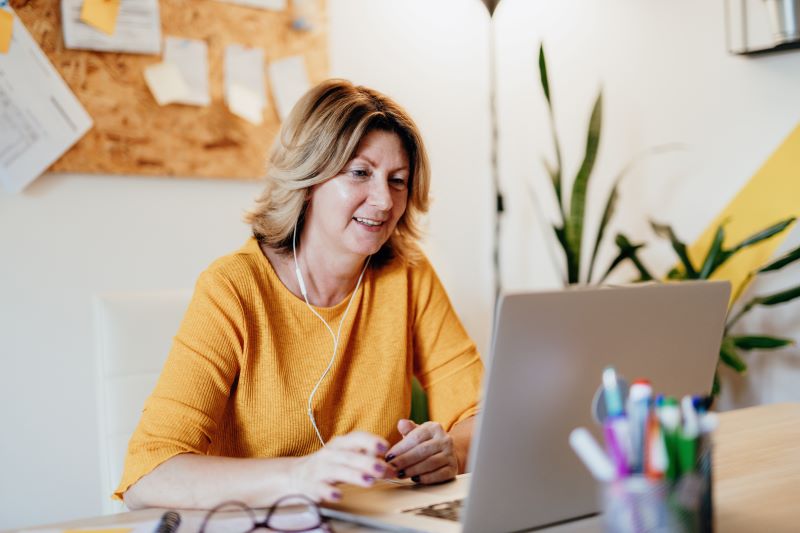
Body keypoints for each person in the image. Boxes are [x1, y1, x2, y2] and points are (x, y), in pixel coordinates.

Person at [117, 79, 484, 510]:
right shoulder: (233, 287)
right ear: (310, 177)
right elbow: (149, 475)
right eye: (360, 173)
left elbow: (483, 417)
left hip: (371, 522)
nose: (384, 200)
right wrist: (301, 474)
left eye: (398, 180)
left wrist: (452, 451)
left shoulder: (408, 274)